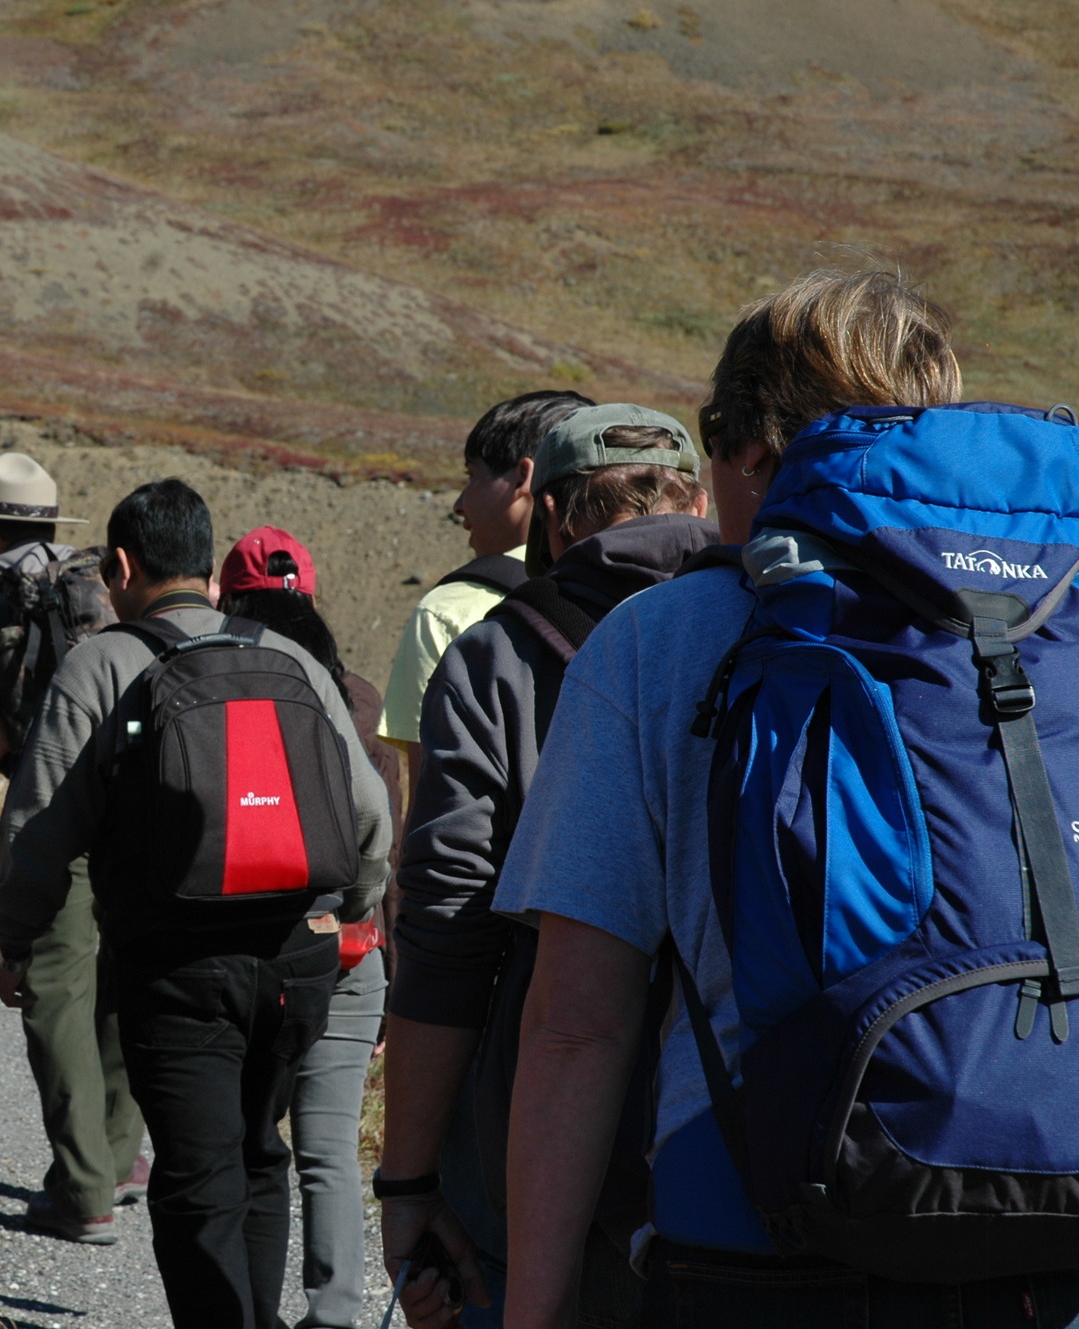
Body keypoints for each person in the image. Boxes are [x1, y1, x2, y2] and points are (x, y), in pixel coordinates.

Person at [492, 270, 1079, 1327]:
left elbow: (577, 1023)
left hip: (765, 1232)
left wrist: (534, 1307)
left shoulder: (660, 640)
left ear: (754, 450)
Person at [0, 480, 393, 1328]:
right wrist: (346, 910)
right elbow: (368, 816)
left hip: (175, 963)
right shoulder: (292, 658)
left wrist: (17, 937)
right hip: (297, 958)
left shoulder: (103, 661)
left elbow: (37, 828)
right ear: (209, 571)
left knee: (194, 1173)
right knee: (257, 1153)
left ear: (123, 566)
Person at [375, 405, 715, 1329]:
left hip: (541, 1140)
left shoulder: (500, 658)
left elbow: (446, 933)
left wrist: (406, 1178)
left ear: (555, 518)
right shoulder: (776, 624)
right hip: (746, 1143)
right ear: (697, 499)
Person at [0, 452, 147, 1243]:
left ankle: (82, 1189)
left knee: (52, 982)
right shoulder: (95, 575)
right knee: (117, 973)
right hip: (129, 795)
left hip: (52, 790)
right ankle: (121, 1155)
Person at [217, 526, 404, 1329]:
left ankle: (239, 1307)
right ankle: (332, 1314)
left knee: (244, 1146)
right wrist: (379, 958)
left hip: (243, 955)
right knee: (327, 1151)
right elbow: (384, 836)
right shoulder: (359, 698)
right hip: (350, 954)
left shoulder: (214, 685)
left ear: (226, 599)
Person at [378, 391, 593, 794]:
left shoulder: (446, 612)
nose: (460, 503)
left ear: (522, 477)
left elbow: (432, 794)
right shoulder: (656, 596)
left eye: (472, 474)